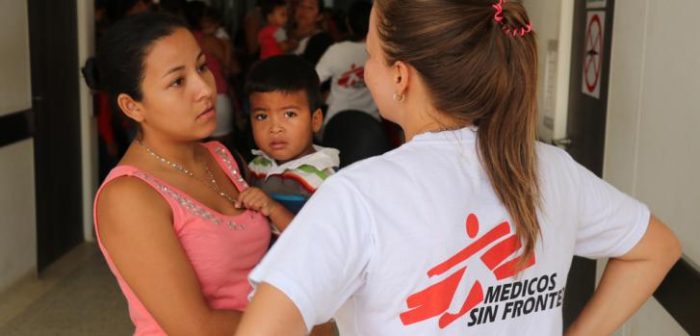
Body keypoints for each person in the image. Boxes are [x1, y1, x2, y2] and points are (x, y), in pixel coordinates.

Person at [235, 1, 682, 335]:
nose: (366, 69)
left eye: (372, 56)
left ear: (400, 77)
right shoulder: (551, 169)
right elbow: (655, 249)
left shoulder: (360, 196)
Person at [92, 13, 278, 335]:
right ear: (133, 106)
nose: (205, 89)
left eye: (202, 67)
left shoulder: (221, 157)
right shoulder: (128, 197)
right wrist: (302, 323)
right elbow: (195, 328)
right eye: (178, 81)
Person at [246, 55, 339, 213]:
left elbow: (319, 235)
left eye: (289, 114)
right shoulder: (258, 165)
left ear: (315, 120)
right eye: (262, 116)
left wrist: (273, 209)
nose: (275, 128)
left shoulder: (322, 179)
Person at [315, 0, 378, 131]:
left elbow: (312, 82)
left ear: (348, 24)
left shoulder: (337, 50)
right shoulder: (381, 52)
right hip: (372, 125)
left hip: (336, 123)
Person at [291, 0, 333, 65]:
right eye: (301, 6)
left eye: (310, 8)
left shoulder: (322, 40)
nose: (304, 10)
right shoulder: (282, 34)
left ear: (319, 16)